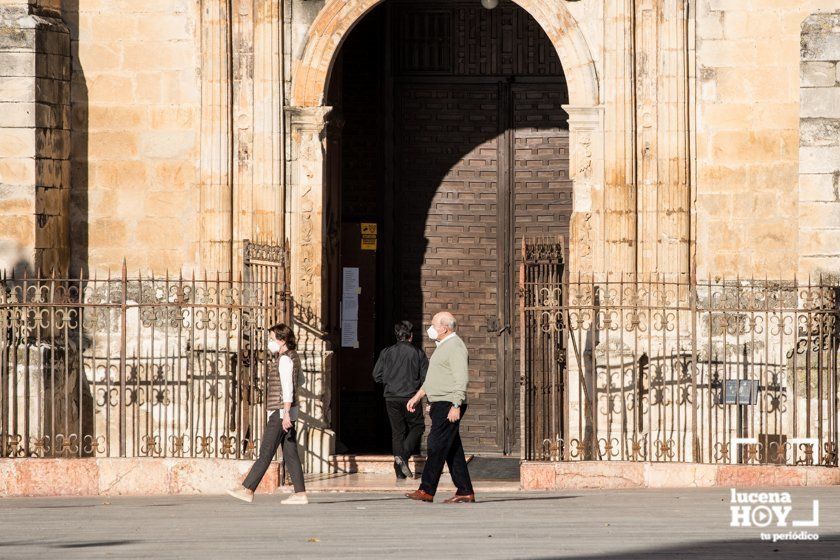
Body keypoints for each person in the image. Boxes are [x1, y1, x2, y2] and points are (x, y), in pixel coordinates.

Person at [227, 323, 308, 505]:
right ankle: (300, 493)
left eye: (271, 339)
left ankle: (248, 489)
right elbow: (300, 381)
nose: (269, 342)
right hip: (288, 411)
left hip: (280, 412)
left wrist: (286, 412)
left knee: (266, 451)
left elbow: (288, 388)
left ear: (282, 340)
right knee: (291, 453)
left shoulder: (285, 360)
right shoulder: (294, 357)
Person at [405, 311, 475, 504]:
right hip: (440, 403)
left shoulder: (455, 346)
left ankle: (426, 490)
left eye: (434, 325)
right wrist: (419, 396)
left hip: (448, 403)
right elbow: (435, 378)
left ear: (444, 328)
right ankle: (465, 490)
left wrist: (456, 405)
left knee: (435, 445)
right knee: (452, 449)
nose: (431, 328)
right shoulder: (444, 346)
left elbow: (461, 378)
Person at [372, 320, 428, 479]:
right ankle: (402, 456)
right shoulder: (418, 353)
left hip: (391, 397)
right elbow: (426, 378)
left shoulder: (386, 352)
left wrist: (390, 381)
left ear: (397, 336)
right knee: (418, 426)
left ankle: (399, 472)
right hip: (411, 397)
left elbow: (376, 376)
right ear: (411, 336)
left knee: (398, 432)